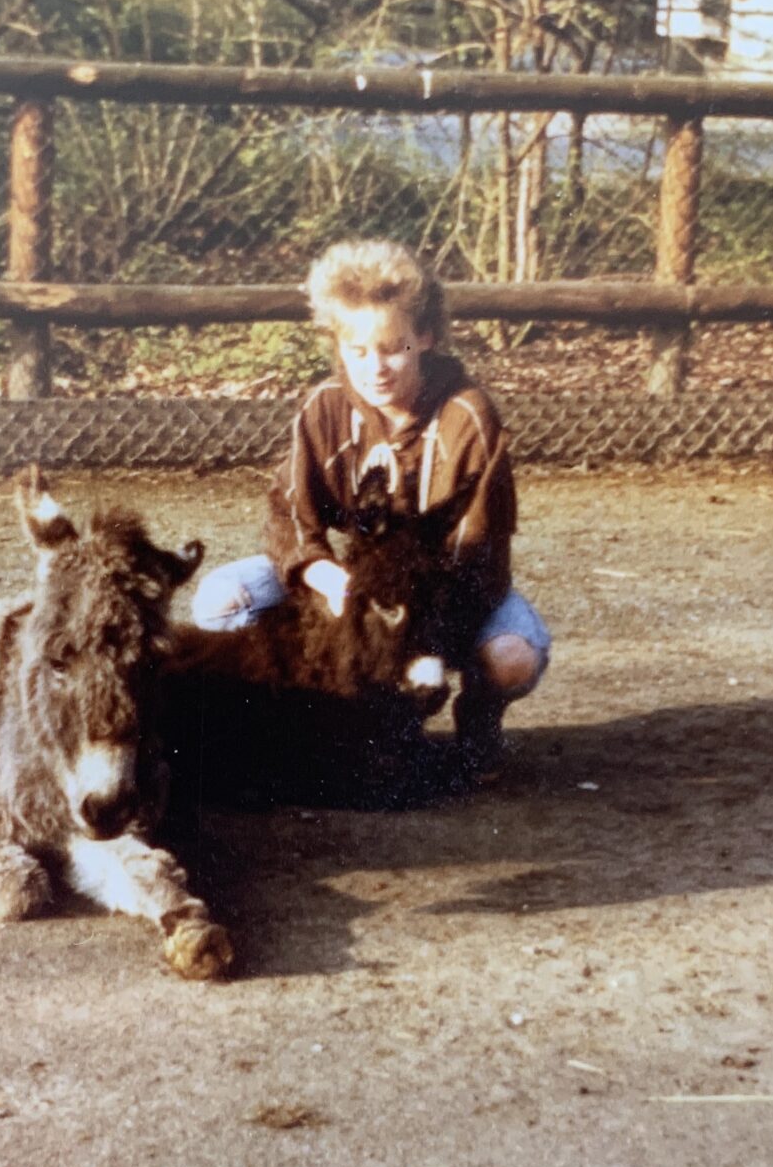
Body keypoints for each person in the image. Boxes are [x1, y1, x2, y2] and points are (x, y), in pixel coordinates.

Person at [190, 239, 550, 783]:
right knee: (220, 603)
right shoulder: (324, 408)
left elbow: (474, 554)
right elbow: (290, 514)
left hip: (444, 591)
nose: (375, 368)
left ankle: (477, 722)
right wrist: (325, 575)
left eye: (392, 349)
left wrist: (414, 638)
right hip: (354, 576)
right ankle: (313, 720)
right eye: (357, 352)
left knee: (512, 657)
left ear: (424, 337)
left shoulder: (469, 417)